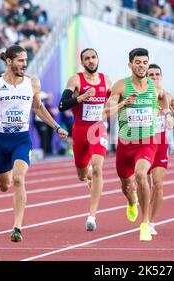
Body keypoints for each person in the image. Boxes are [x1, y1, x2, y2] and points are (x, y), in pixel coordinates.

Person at [0, 45, 68, 242]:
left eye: (25, 60)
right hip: (1, 141)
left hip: (21, 139)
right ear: (9, 61)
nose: (24, 64)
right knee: (4, 185)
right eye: (20, 60)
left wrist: (56, 127)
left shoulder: (32, 82)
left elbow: (38, 107)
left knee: (19, 179)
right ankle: (5, 173)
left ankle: (17, 227)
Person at [104, 48, 158, 241]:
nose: (141, 66)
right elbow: (106, 113)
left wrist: (168, 116)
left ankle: (145, 223)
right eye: (138, 62)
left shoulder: (154, 87)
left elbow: (164, 105)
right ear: (130, 64)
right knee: (126, 184)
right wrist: (123, 104)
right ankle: (131, 202)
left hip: (148, 142)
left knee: (141, 174)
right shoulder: (120, 86)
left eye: (145, 62)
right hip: (126, 144)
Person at [58, 48, 112, 231]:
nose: (91, 61)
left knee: (98, 168)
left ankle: (92, 216)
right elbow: (61, 105)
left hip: (98, 129)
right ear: (82, 62)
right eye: (87, 58)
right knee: (82, 174)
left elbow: (114, 103)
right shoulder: (76, 80)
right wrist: (80, 98)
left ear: (98, 59)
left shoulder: (106, 80)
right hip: (80, 131)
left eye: (93, 57)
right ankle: (87, 175)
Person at [146, 63, 174, 235]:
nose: (154, 77)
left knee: (158, 184)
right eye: (150, 75)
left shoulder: (168, 96)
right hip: (142, 142)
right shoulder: (140, 95)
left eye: (156, 75)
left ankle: (151, 222)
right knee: (143, 183)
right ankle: (143, 213)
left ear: (161, 76)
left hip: (160, 142)